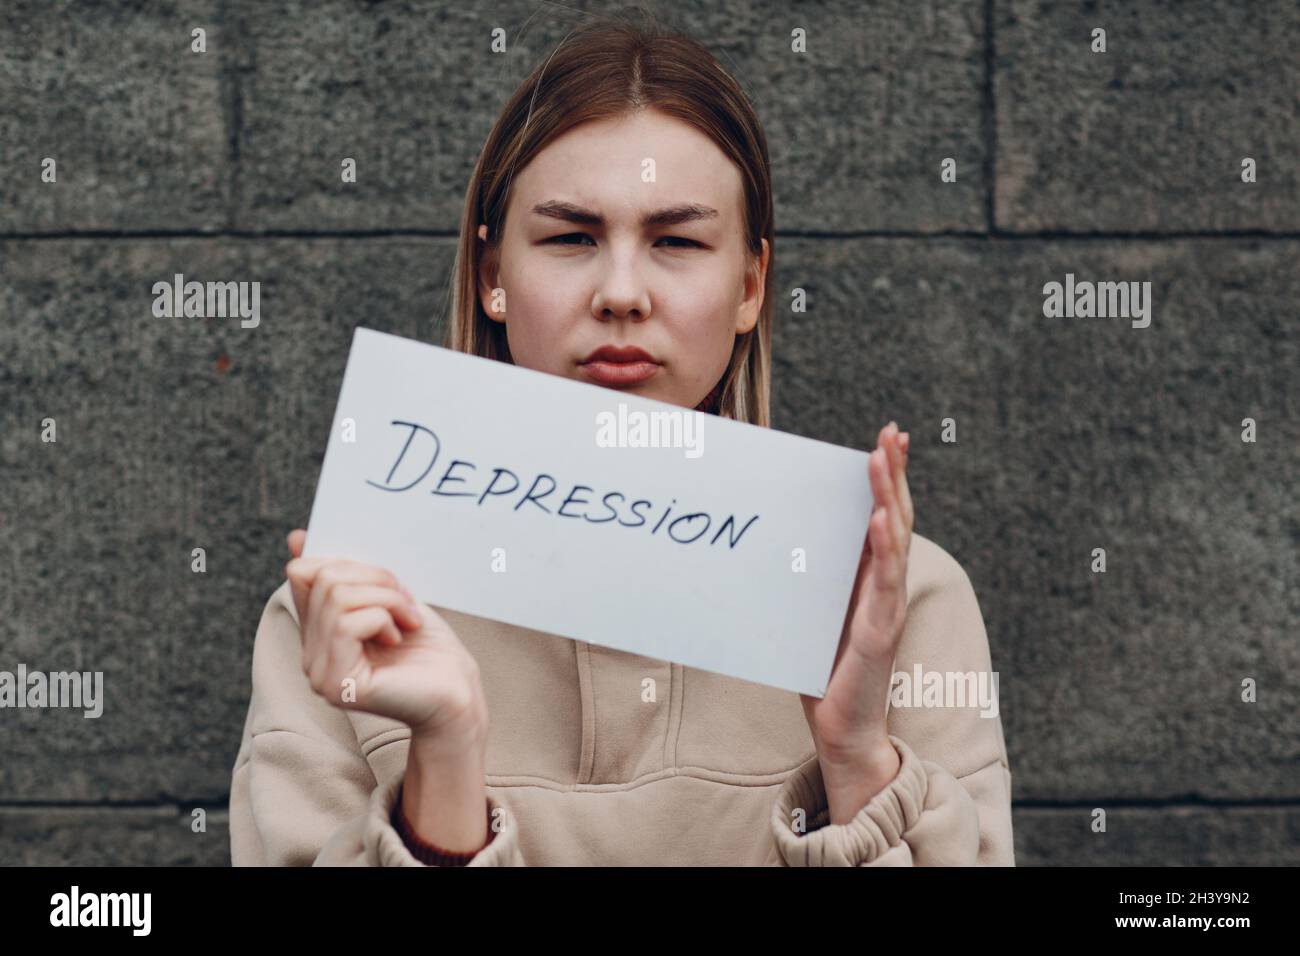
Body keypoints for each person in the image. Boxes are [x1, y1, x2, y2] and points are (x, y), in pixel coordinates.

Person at [229, 12, 1013, 866]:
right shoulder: (349, 619)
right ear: (493, 274)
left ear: (751, 284)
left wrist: (857, 755)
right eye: (571, 238)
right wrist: (446, 759)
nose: (622, 293)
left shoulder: (901, 604)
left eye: (676, 240)